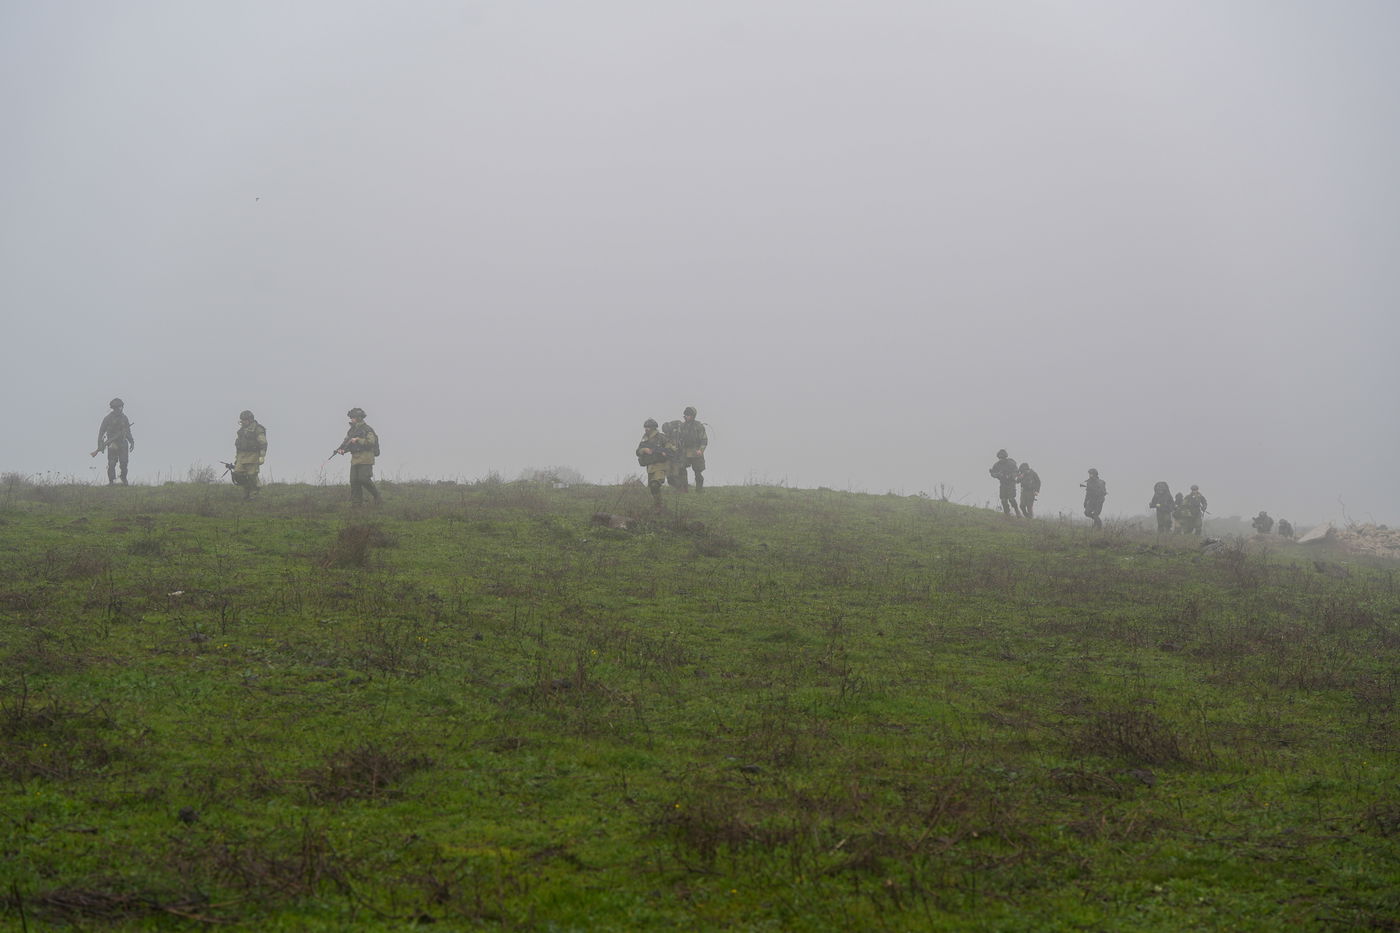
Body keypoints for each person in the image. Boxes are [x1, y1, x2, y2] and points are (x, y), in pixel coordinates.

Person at [336, 407, 381, 505]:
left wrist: (358, 440)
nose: (351, 419)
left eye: (353, 417)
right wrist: (342, 450)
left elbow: (371, 442)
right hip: (355, 459)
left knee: (364, 479)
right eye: (351, 417)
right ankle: (356, 504)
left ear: (359, 418)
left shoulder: (367, 429)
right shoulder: (351, 431)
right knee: (354, 481)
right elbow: (347, 443)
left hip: (366, 458)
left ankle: (377, 496)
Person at [91, 397, 134, 485]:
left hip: (123, 443)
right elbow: (101, 432)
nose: (120, 409)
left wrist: (132, 442)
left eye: (121, 407)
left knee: (124, 462)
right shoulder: (107, 419)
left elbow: (128, 431)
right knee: (111, 463)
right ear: (114, 408)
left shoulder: (124, 418)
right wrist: (100, 445)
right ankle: (112, 481)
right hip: (112, 444)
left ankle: (123, 479)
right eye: (118, 407)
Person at [636, 418, 674, 511]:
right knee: (652, 488)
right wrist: (644, 450)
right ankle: (658, 505)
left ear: (653, 428)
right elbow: (637, 451)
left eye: (648, 427)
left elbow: (671, 447)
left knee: (655, 485)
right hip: (650, 467)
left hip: (661, 465)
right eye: (645, 427)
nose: (646, 429)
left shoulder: (661, 437)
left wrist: (667, 452)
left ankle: (658, 506)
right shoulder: (644, 438)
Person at [231, 410, 267, 499]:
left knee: (252, 475)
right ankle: (246, 491)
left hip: (253, 455)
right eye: (241, 420)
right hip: (241, 455)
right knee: (238, 474)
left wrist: (262, 456)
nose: (242, 422)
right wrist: (237, 457)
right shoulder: (241, 431)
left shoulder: (258, 429)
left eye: (244, 420)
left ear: (250, 420)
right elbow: (238, 445)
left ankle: (254, 494)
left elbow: (263, 443)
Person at [674, 406, 709, 492]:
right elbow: (678, 439)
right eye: (685, 415)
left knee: (697, 471)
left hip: (696, 451)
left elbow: (704, 440)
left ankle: (699, 489)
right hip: (685, 452)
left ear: (693, 416)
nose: (686, 416)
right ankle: (684, 489)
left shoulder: (698, 426)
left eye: (688, 415)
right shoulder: (682, 426)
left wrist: (701, 450)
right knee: (681, 468)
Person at [988, 449, 1021, 516]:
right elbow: (993, 473)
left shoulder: (1011, 463)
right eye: (999, 458)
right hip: (1003, 484)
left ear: (1005, 457)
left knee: (1011, 499)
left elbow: (1017, 472)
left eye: (1002, 458)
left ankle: (1017, 511)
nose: (1001, 459)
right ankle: (1007, 513)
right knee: (1003, 499)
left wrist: (1010, 476)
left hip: (1011, 483)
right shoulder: (997, 465)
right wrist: (996, 475)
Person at [661, 419, 687, 489]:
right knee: (669, 474)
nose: (666, 433)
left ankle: (681, 488)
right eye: (665, 432)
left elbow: (682, 446)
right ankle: (675, 487)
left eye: (666, 431)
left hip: (677, 457)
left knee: (676, 474)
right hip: (669, 458)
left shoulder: (678, 435)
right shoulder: (665, 437)